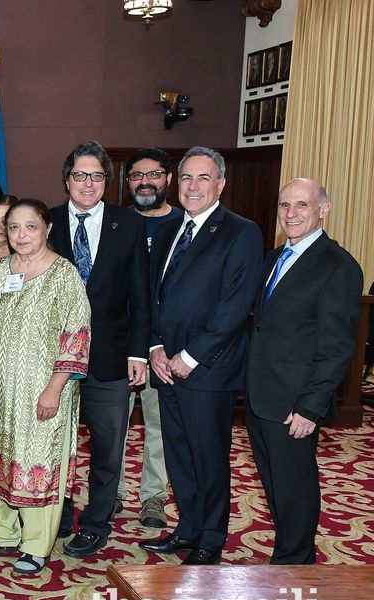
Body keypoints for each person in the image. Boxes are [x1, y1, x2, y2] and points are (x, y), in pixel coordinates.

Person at [142, 147, 262, 566]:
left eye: (204, 178)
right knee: (178, 453)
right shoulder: (173, 225)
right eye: (187, 178)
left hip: (207, 369)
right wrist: (156, 346)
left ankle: (211, 537)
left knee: (208, 455)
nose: (194, 186)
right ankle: (188, 527)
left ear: (221, 184)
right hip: (165, 365)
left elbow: (235, 306)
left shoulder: (240, 232)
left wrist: (190, 357)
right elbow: (155, 294)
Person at [0, 198, 90, 576]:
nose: (20, 235)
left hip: (42, 387)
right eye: (12, 227)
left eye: (29, 226)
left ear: (47, 229)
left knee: (37, 458)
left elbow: (76, 337)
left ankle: (35, 544)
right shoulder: (0, 270)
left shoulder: (64, 274)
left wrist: (54, 390)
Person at [246, 178, 362, 564]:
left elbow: (336, 346)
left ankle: (293, 565)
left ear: (322, 210)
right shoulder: (273, 257)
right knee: (276, 487)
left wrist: (311, 406)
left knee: (295, 487)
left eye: (301, 205)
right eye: (284, 206)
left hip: (295, 402)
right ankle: (294, 553)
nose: (291, 214)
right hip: (262, 394)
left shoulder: (338, 265)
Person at [49, 142, 150, 561]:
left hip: (110, 358)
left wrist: (139, 352)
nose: (87, 183)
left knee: (108, 447)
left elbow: (142, 294)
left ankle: (96, 523)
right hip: (53, 360)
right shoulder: (47, 223)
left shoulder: (128, 223)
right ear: (66, 180)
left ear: (108, 182)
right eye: (79, 176)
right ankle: (56, 513)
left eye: (96, 176)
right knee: (54, 443)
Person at [116, 149, 182, 529]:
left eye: (154, 174)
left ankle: (153, 497)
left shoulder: (183, 223)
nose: (145, 182)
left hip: (167, 349)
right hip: (122, 346)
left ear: (167, 179)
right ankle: (115, 494)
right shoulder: (117, 222)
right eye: (137, 175)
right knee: (113, 426)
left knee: (159, 426)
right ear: (128, 182)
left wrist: (160, 343)